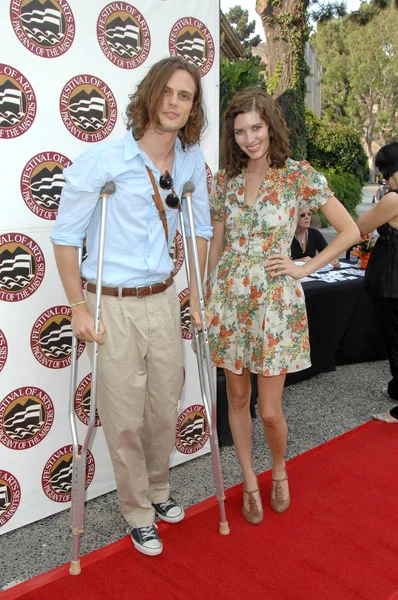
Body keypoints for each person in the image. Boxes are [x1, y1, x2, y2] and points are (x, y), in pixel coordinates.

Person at [51, 56, 213, 556]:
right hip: (110, 305)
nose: (173, 103)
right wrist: (78, 307)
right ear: (149, 96)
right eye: (166, 92)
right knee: (122, 416)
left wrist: (199, 292)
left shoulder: (189, 163)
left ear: (192, 109)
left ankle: (159, 490)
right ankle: (138, 510)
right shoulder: (102, 161)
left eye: (184, 96)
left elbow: (201, 230)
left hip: (163, 299)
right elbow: (64, 237)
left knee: (163, 408)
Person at [205, 88, 359, 525]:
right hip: (230, 300)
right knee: (236, 397)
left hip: (274, 303)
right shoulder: (224, 182)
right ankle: (249, 480)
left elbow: (349, 231)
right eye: (239, 131)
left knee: (269, 410)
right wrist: (206, 297)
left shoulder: (297, 177)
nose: (249, 138)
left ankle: (279, 470)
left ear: (270, 125)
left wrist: (304, 267)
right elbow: (217, 244)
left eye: (256, 128)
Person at [356, 141, 398, 423]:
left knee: (395, 339)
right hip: (391, 276)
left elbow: (357, 229)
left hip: (392, 278)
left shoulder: (393, 199)